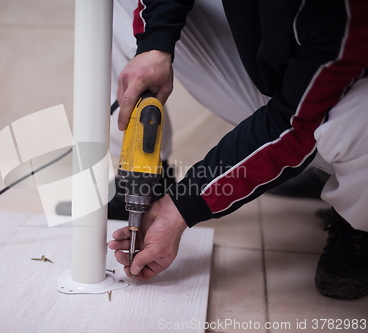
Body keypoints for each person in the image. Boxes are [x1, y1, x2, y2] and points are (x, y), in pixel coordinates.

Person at [108, 0, 368, 299]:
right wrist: (155, 44)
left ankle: (357, 221)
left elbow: (296, 126)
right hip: (290, 74)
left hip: (336, 96)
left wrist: (180, 206)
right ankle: (147, 180)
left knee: (357, 122)